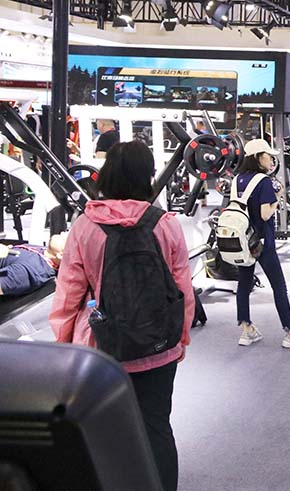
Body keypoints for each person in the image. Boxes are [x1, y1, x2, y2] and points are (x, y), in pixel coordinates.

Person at [50, 141, 194, 491]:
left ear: (108, 175)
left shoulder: (85, 226)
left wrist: (64, 344)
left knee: (102, 430)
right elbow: (182, 289)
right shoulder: (166, 224)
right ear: (147, 177)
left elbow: (69, 291)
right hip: (158, 346)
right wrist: (181, 338)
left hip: (102, 350)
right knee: (157, 427)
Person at [232, 138, 290, 349]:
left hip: (243, 240)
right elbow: (265, 214)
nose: (271, 159)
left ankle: (246, 330)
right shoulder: (263, 182)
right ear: (257, 157)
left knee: (244, 284)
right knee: (279, 286)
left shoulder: (237, 180)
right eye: (268, 155)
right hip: (263, 242)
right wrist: (277, 197)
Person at [0, 234, 66, 296]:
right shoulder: (46, 252)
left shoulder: (28, 272)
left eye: (70, 238)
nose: (66, 233)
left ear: (61, 256)